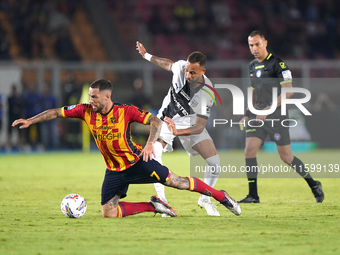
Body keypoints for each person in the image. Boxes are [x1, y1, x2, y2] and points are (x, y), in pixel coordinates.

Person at [12, 79, 241, 218]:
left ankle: (223, 197)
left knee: (177, 182)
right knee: (108, 212)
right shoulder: (85, 111)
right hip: (113, 170)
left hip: (137, 162)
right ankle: (153, 206)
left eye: (94, 97)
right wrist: (31, 120)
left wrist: (150, 142)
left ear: (107, 96)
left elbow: (155, 121)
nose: (91, 100)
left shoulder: (126, 111)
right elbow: (56, 112)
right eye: (90, 97)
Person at [136, 41, 222, 216]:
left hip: (190, 125)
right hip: (166, 119)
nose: (188, 75)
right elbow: (168, 64)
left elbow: (199, 126)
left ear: (203, 72)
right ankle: (163, 203)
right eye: (187, 71)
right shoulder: (182, 67)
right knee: (154, 153)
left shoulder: (207, 92)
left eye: (193, 72)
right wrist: (146, 55)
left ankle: (204, 199)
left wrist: (178, 132)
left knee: (215, 163)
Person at [238, 30, 324, 203]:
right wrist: (247, 114)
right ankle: (253, 195)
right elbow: (254, 92)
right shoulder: (252, 66)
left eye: (257, 44)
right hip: (258, 116)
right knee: (249, 151)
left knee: (286, 157)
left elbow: (289, 90)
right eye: (251, 45)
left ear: (265, 43)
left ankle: (313, 184)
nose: (254, 48)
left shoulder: (278, 64)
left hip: (276, 115)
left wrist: (268, 109)